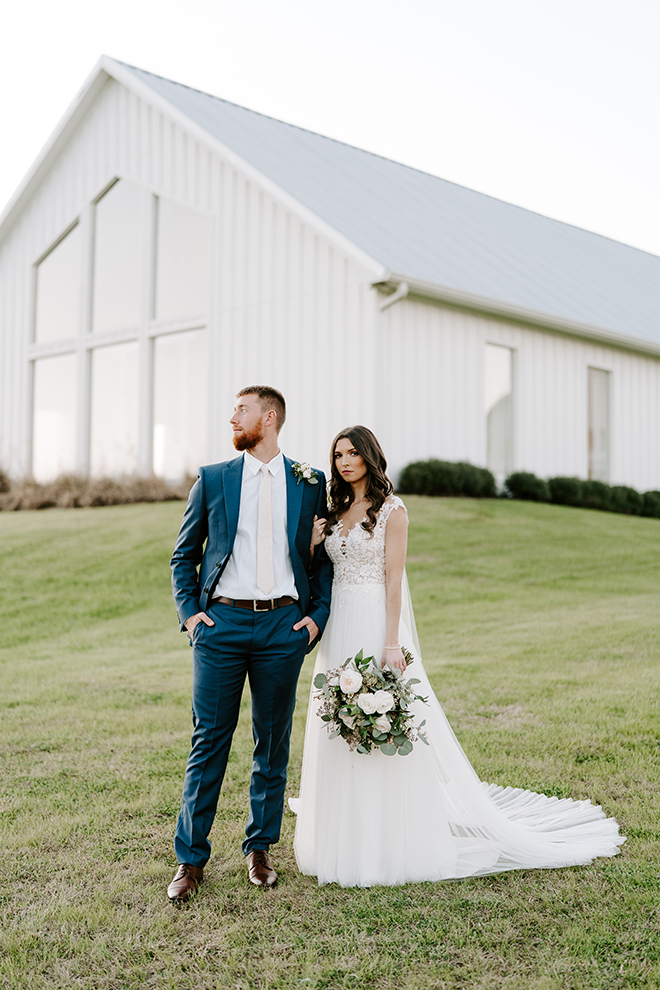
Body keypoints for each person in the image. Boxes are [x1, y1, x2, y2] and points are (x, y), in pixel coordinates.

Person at [289, 426, 624, 887]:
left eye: (352, 453)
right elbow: (319, 569)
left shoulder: (393, 510)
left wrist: (391, 642)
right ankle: (341, 838)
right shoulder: (334, 509)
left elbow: (392, 581)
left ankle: (387, 841)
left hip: (373, 621)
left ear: (369, 457)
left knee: (382, 719)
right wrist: (310, 543)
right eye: (338, 455)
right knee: (338, 720)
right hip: (338, 626)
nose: (345, 462)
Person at [167, 386, 332, 902]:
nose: (232, 417)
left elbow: (323, 557)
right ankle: (190, 860)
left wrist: (315, 619)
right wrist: (192, 615)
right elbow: (183, 556)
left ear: (269, 416)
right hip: (222, 629)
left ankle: (259, 848)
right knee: (208, 742)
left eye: (241, 410)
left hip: (283, 628)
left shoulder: (309, 482)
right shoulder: (214, 479)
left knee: (272, 742)